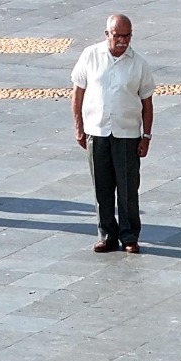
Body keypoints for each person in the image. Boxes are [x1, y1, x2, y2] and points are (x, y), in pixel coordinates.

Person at [72, 13, 155, 253]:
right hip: (96, 131)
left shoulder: (139, 64)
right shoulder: (90, 55)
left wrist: (146, 136)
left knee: (128, 189)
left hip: (127, 133)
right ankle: (107, 234)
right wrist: (78, 127)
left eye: (127, 36)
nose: (122, 41)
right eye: (118, 36)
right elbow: (78, 93)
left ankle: (129, 236)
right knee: (102, 187)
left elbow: (147, 103)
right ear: (107, 34)